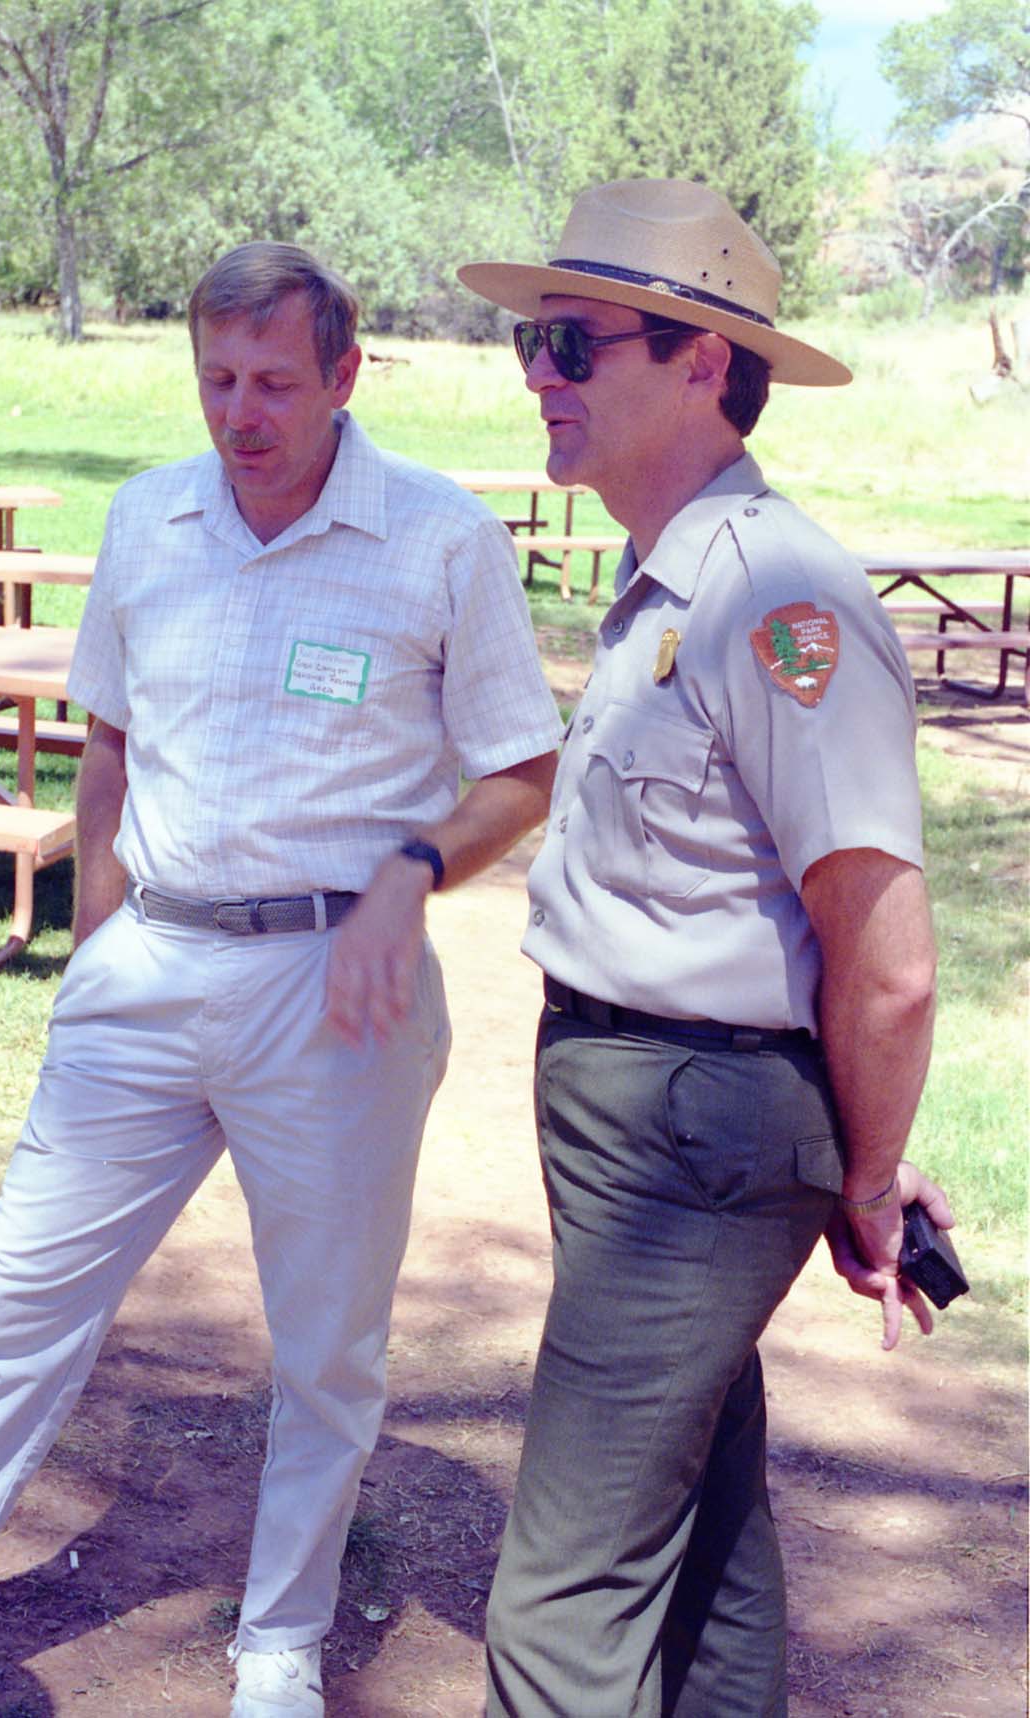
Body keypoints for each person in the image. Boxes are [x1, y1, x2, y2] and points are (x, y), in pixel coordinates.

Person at [0, 242, 560, 1712]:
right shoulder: (147, 516)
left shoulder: (439, 538)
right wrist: (100, 933)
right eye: (217, 379)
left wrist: (409, 877)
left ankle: (279, 1642)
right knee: (11, 1298)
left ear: (345, 375)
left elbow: (521, 771)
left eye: (275, 382)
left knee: (328, 1343)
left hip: (337, 991)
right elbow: (108, 744)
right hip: (148, 968)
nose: (241, 414)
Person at [457, 178, 952, 1717]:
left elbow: (885, 958)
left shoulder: (777, 595)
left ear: (701, 363)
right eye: (533, 342)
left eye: (572, 344)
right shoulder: (672, 572)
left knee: (566, 1589)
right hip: (656, 1119)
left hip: (691, 1137)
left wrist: (870, 1175)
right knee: (702, 1536)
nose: (538, 374)